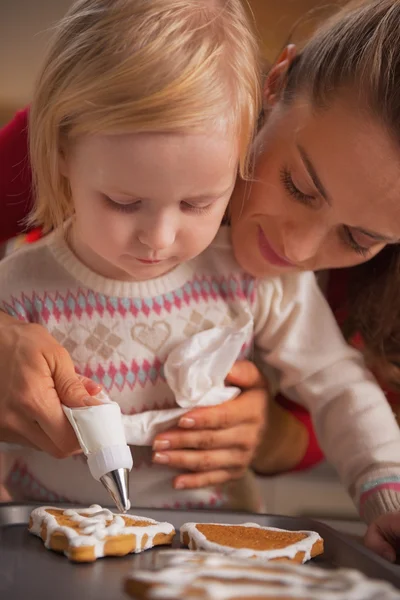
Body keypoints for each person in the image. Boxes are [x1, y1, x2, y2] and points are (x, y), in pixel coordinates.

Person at [2, 0, 400, 559]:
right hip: (55, 545)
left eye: (198, 202)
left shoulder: (258, 283)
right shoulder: (21, 281)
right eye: (122, 201)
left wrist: (388, 496)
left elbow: (339, 386)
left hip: (212, 550)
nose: (159, 239)